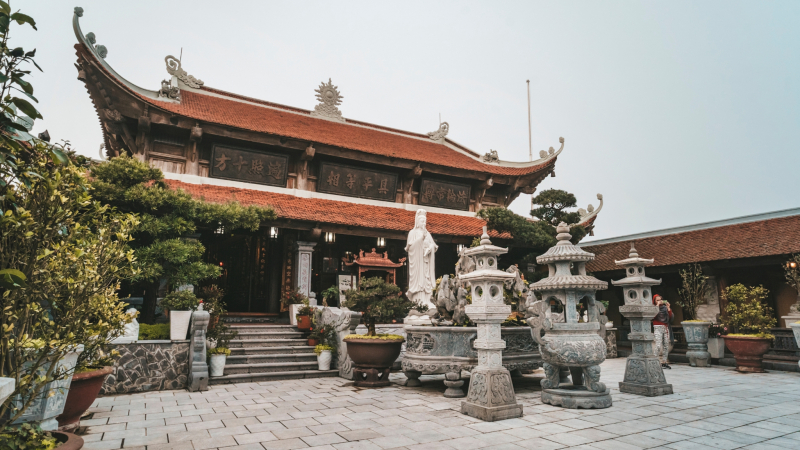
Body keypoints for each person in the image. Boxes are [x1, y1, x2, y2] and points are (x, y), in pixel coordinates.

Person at [652, 294, 673, 369]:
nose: (659, 301)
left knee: (666, 345)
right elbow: (653, 316)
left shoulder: (664, 308)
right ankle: (654, 361)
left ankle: (664, 362)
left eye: (660, 300)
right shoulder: (653, 308)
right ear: (654, 301)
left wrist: (668, 308)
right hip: (657, 327)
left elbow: (670, 317)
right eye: (657, 300)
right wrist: (657, 306)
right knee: (658, 345)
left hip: (665, 327)